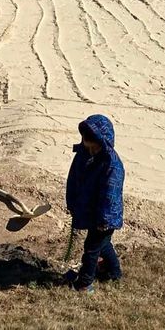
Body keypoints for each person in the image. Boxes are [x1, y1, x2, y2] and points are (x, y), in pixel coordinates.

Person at [64, 114, 125, 293]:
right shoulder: (84, 155)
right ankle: (113, 272)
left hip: (105, 217)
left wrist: (104, 220)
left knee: (91, 249)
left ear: (104, 142)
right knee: (103, 245)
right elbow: (74, 179)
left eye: (94, 148)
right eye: (87, 146)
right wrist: (73, 202)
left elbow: (110, 196)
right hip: (92, 211)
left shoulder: (112, 166)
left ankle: (85, 283)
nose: (90, 151)